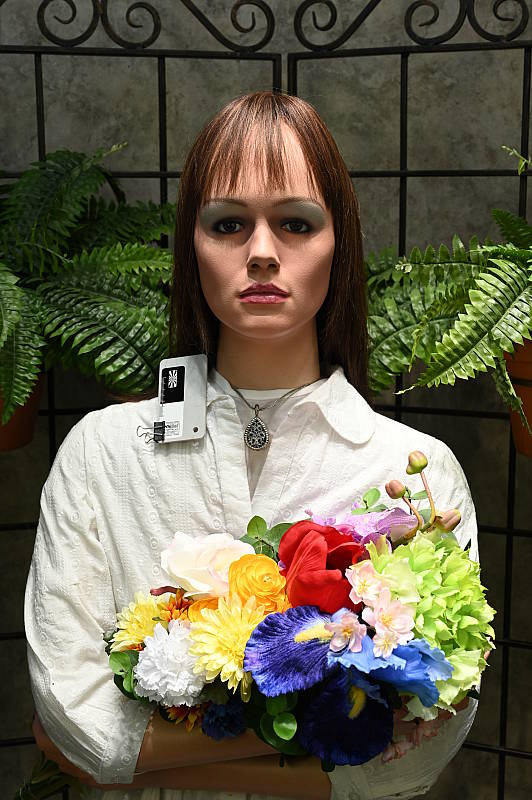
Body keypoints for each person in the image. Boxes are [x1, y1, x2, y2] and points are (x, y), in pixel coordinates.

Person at [26, 89, 479, 800]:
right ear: (192, 244)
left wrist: (128, 759)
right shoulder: (101, 456)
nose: (262, 253)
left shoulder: (414, 478)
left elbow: (418, 760)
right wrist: (336, 753)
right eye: (229, 224)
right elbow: (71, 712)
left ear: (338, 244)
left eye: (296, 223)